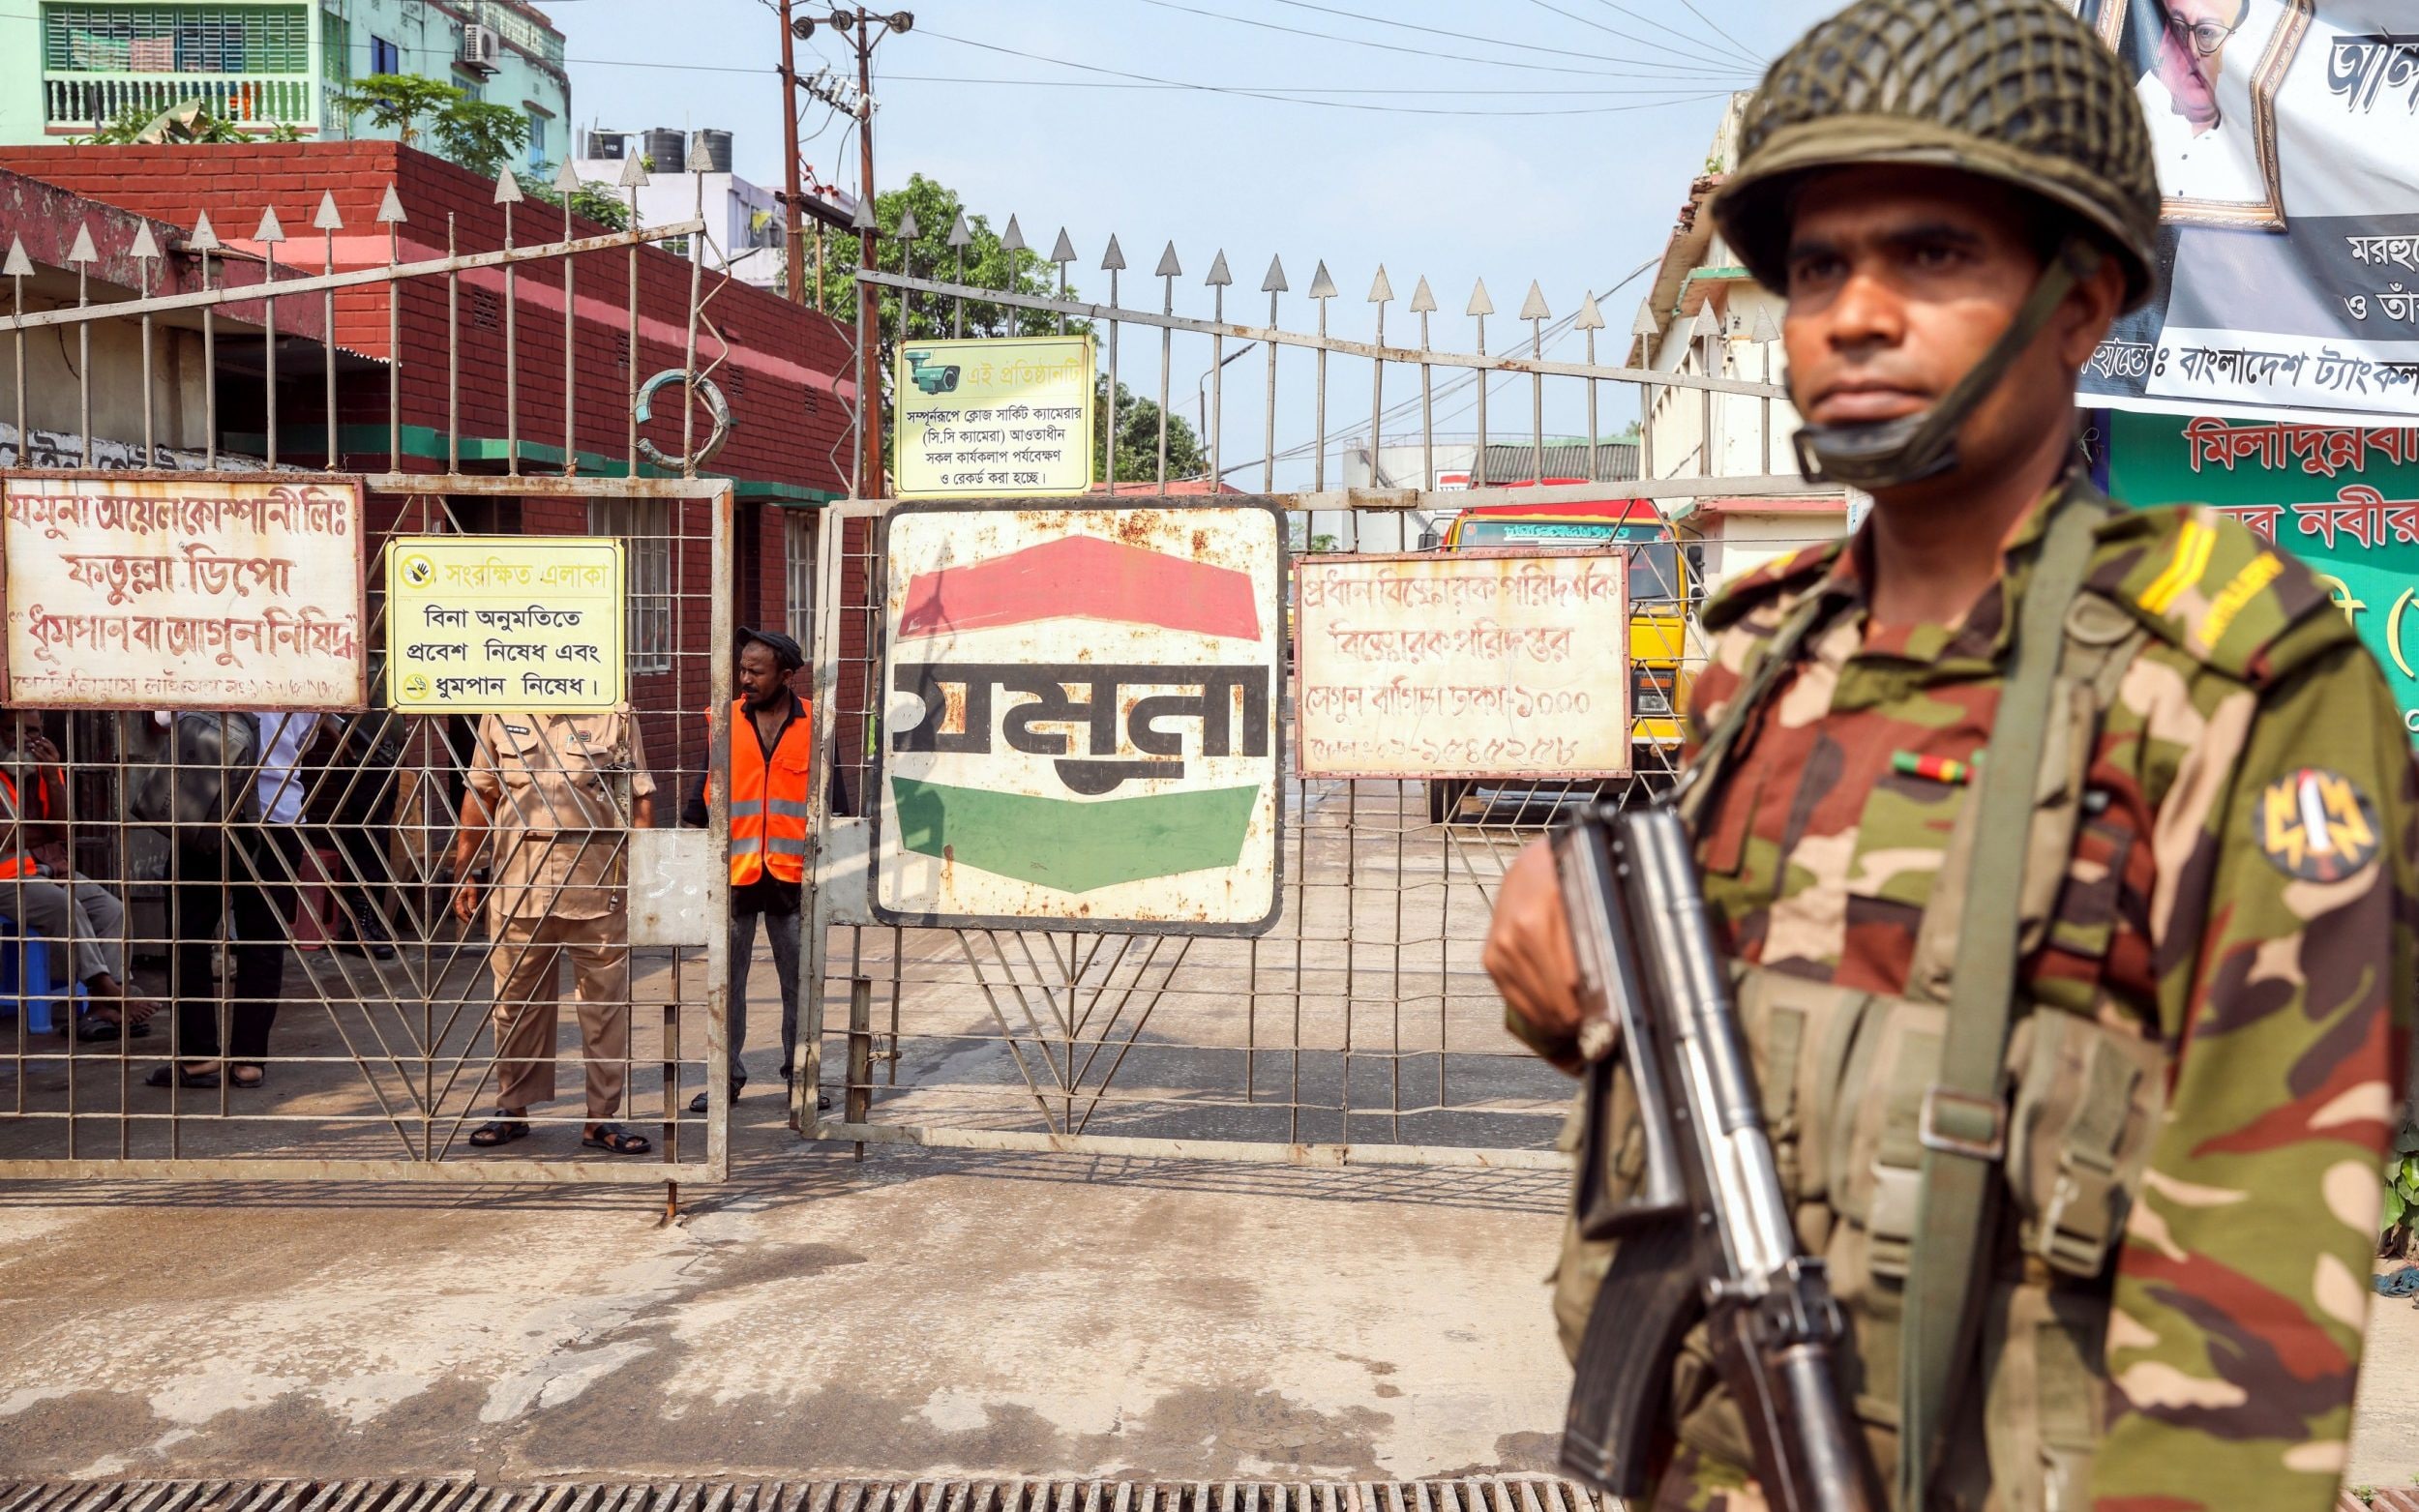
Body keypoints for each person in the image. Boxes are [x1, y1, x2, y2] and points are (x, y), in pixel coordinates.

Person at [1481, 2, 2414, 1508]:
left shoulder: (2239, 681)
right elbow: (1750, 1071)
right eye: (1813, 268)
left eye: (1932, 254)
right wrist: (1579, 994)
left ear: (2083, 300)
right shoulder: (1759, 656)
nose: (1852, 313)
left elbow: (2255, 1294)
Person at [457, 707, 655, 1155]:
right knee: (515, 1002)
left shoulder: (614, 713)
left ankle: (601, 1120)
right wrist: (465, 868)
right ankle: (513, 1108)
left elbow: (638, 796)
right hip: (518, 882)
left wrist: (646, 877)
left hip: (597, 881)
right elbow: (481, 792)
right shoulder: (501, 711)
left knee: (604, 1008)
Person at [681, 627, 826, 1114]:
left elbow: (836, 805)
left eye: (755, 671)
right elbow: (700, 799)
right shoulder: (723, 720)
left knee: (799, 984)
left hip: (793, 877)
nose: (744, 678)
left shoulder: (815, 725)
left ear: (785, 676)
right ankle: (725, 1079)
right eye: (741, 668)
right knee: (727, 984)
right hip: (736, 874)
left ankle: (801, 1078)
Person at [149, 711, 316, 1090]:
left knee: (187, 936)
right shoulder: (307, 657)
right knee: (262, 941)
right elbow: (306, 734)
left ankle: (198, 1059)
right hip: (277, 813)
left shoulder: (200, 652)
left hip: (206, 806)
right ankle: (249, 1062)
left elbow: (162, 717)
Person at [0, 711, 156, 1039]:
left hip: (47, 868)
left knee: (111, 909)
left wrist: (53, 777)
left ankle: (104, 1007)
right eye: (20, 731)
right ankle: (107, 989)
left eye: (36, 731)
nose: (30, 740)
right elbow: (7, 837)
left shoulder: (42, 769)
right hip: (8, 878)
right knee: (64, 905)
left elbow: (63, 830)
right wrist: (37, 836)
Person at [2138, 0, 2264, 202]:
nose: (2192, 51)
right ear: (2162, 41)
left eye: (2206, 33)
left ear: (2230, 51)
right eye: (2178, 29)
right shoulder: (2119, 117)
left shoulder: (2253, 153)